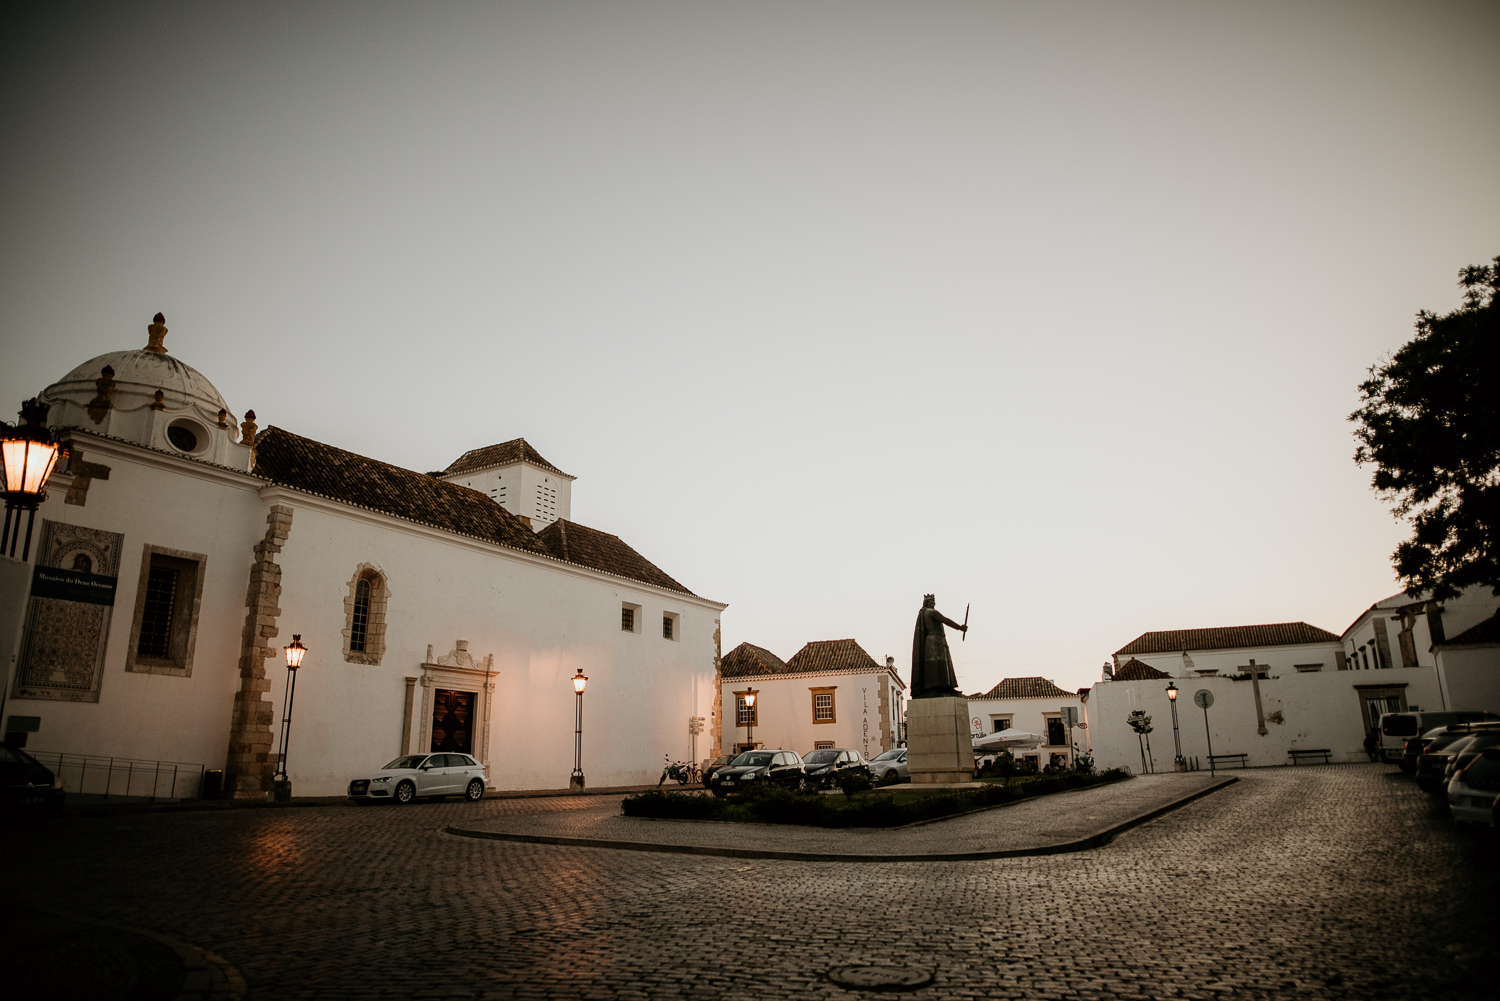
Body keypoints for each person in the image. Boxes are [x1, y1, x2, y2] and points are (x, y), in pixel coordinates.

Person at [909, 594, 967, 698]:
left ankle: (943, 686)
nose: (934, 604)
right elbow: (945, 620)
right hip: (935, 641)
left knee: (938, 665)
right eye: (932, 602)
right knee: (938, 665)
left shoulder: (923, 613)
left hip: (934, 641)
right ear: (928, 603)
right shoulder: (931, 612)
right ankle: (938, 687)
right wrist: (959, 627)